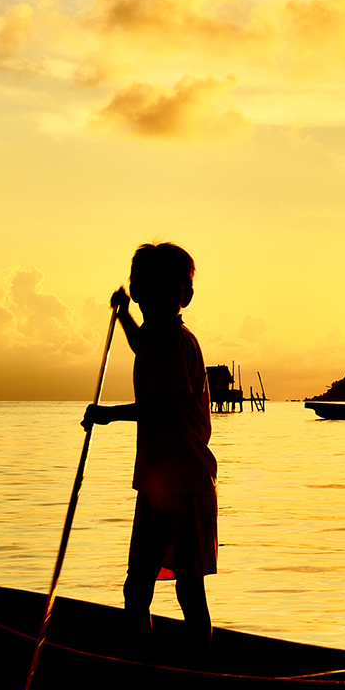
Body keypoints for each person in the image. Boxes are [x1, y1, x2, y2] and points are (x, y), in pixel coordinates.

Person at [84, 242, 219, 640]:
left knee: (188, 587)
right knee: (136, 584)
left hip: (188, 482)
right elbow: (141, 344)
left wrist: (108, 414)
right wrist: (124, 315)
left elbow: (164, 404)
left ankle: (201, 671)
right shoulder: (155, 339)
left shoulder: (178, 343)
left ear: (185, 296)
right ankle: (138, 659)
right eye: (148, 288)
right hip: (156, 482)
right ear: (139, 293)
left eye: (168, 288)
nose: (157, 296)